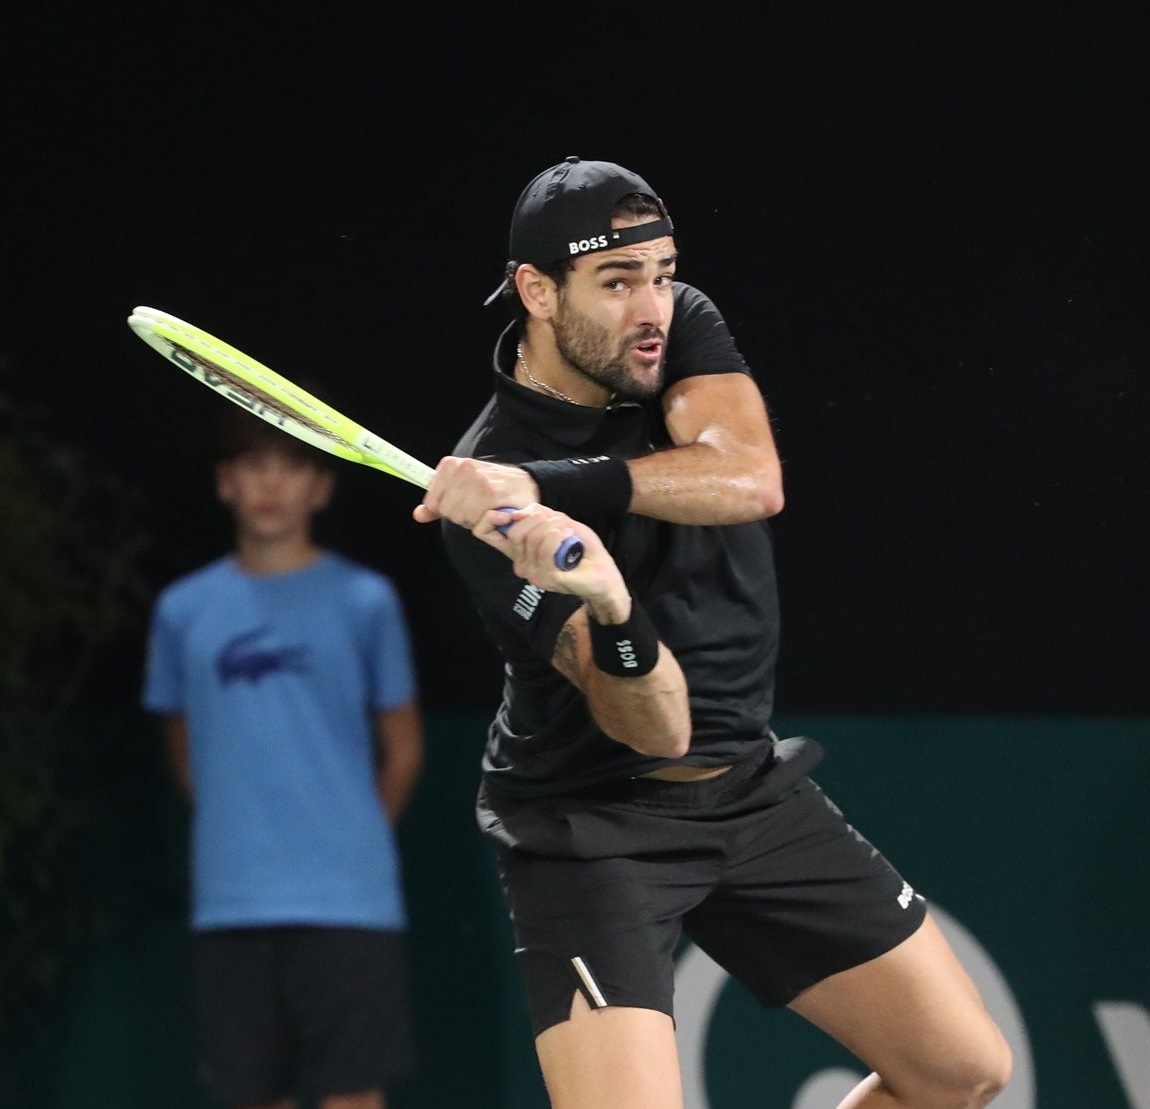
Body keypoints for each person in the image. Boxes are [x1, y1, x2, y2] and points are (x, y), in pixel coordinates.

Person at [415, 156, 1012, 1108]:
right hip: (593, 827)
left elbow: (750, 479)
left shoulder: (672, 330)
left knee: (961, 1073)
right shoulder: (482, 501)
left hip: (747, 789)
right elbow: (656, 730)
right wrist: (608, 602)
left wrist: (561, 486)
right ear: (535, 290)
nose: (652, 304)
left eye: (661, 270)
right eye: (616, 283)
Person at [142, 403, 424, 1109]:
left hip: (348, 901)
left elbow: (406, 749)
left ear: (321, 488)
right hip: (231, 899)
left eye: (292, 466)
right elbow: (184, 743)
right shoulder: (182, 611)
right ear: (225, 482)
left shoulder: (366, 601)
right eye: (253, 466)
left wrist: (347, 838)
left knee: (352, 1093)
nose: (271, 485)